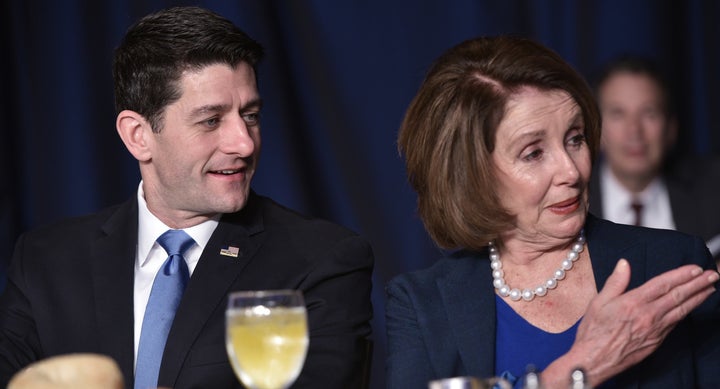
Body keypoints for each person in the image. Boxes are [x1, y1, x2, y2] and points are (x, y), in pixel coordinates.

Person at [0, 6, 374, 389]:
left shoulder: (323, 261)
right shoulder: (45, 261)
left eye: (251, 115)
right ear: (138, 135)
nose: (244, 143)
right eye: (211, 120)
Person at [386, 36, 720, 388]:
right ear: (472, 175)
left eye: (575, 138)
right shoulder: (422, 305)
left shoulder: (673, 265)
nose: (572, 172)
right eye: (533, 153)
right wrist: (579, 368)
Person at [588, 55, 720, 258]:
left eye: (649, 114)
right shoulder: (572, 198)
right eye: (617, 114)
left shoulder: (713, 187)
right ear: (596, 128)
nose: (634, 131)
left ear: (671, 129)